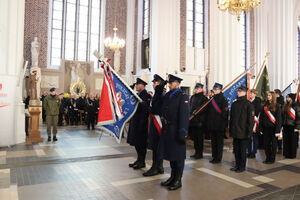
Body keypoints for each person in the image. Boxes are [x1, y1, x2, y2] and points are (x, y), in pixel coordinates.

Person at [159, 74, 190, 191]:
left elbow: (184, 115)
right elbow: (158, 101)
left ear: (177, 84)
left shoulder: (183, 96)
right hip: (168, 129)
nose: (169, 85)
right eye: (169, 83)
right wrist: (160, 86)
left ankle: (178, 180)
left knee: (178, 157)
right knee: (171, 155)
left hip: (177, 129)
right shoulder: (168, 95)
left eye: (171, 83)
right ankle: (172, 177)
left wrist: (183, 131)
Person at [143, 74, 166, 177]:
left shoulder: (160, 94)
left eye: (155, 82)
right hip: (154, 121)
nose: (152, 84)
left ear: (159, 84)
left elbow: (158, 109)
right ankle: (159, 167)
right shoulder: (157, 94)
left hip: (158, 122)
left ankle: (155, 167)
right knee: (156, 145)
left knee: (157, 145)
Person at [127, 78, 152, 169]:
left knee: (141, 144)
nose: (136, 86)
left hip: (142, 123)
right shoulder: (137, 94)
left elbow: (147, 110)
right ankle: (138, 160)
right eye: (136, 85)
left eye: (138, 84)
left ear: (143, 85)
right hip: (135, 122)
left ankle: (142, 161)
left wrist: (143, 103)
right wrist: (130, 89)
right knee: (136, 143)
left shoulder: (147, 96)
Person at [230, 86, 254, 173]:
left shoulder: (248, 104)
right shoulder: (234, 104)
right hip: (235, 131)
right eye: (238, 91)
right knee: (236, 150)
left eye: (240, 91)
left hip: (244, 132)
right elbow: (232, 119)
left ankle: (242, 166)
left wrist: (249, 132)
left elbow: (250, 121)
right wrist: (231, 130)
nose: (238, 93)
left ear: (245, 92)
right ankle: (237, 165)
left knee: (242, 151)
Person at [206, 83, 228, 164]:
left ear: (220, 90)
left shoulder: (223, 100)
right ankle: (214, 157)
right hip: (212, 125)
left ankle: (218, 158)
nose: (214, 91)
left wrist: (222, 125)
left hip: (219, 126)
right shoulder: (212, 99)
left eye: (216, 89)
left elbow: (224, 114)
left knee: (219, 143)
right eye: (214, 89)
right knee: (213, 143)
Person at [259, 91, 282, 164]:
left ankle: (272, 159)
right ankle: (267, 158)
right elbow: (261, 118)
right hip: (265, 128)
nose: (268, 96)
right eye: (267, 95)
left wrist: (277, 131)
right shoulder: (264, 106)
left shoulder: (277, 106)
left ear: (273, 96)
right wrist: (261, 128)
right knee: (266, 144)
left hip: (273, 128)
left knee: (274, 145)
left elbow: (279, 119)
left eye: (269, 95)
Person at [189, 83, 208, 159]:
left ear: (201, 89)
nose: (196, 90)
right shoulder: (193, 97)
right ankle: (196, 152)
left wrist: (196, 113)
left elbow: (204, 109)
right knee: (195, 138)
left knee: (199, 139)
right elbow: (190, 107)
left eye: (197, 88)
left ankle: (200, 153)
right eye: (195, 88)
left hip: (200, 122)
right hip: (193, 121)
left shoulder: (204, 98)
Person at [282, 93, 300, 158]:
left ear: (292, 98)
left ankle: (292, 154)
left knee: (292, 141)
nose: (287, 99)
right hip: (286, 125)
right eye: (286, 97)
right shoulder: (285, 105)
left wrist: (297, 127)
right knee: (286, 141)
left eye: (288, 97)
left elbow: (298, 117)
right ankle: (286, 154)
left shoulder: (296, 105)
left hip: (293, 126)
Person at [247, 89, 262, 158]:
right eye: (250, 93)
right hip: (248, 122)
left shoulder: (257, 102)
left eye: (251, 93)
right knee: (249, 138)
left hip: (255, 122)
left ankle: (254, 152)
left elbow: (257, 111)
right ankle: (249, 151)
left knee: (255, 138)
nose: (250, 94)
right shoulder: (248, 101)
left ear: (255, 94)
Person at [274, 89, 284, 154]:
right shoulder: (274, 100)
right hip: (273, 119)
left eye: (274, 93)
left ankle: (280, 148)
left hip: (280, 119)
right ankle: (275, 147)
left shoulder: (281, 101)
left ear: (277, 93)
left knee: (279, 135)